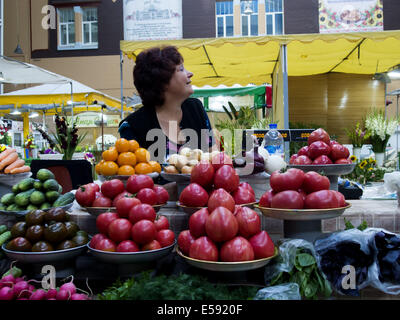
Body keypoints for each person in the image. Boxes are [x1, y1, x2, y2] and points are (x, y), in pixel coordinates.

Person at [119, 45, 216, 163]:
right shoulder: (132, 126)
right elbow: (130, 173)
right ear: (162, 81)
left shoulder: (195, 108)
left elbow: (213, 156)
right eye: (181, 69)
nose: (190, 73)